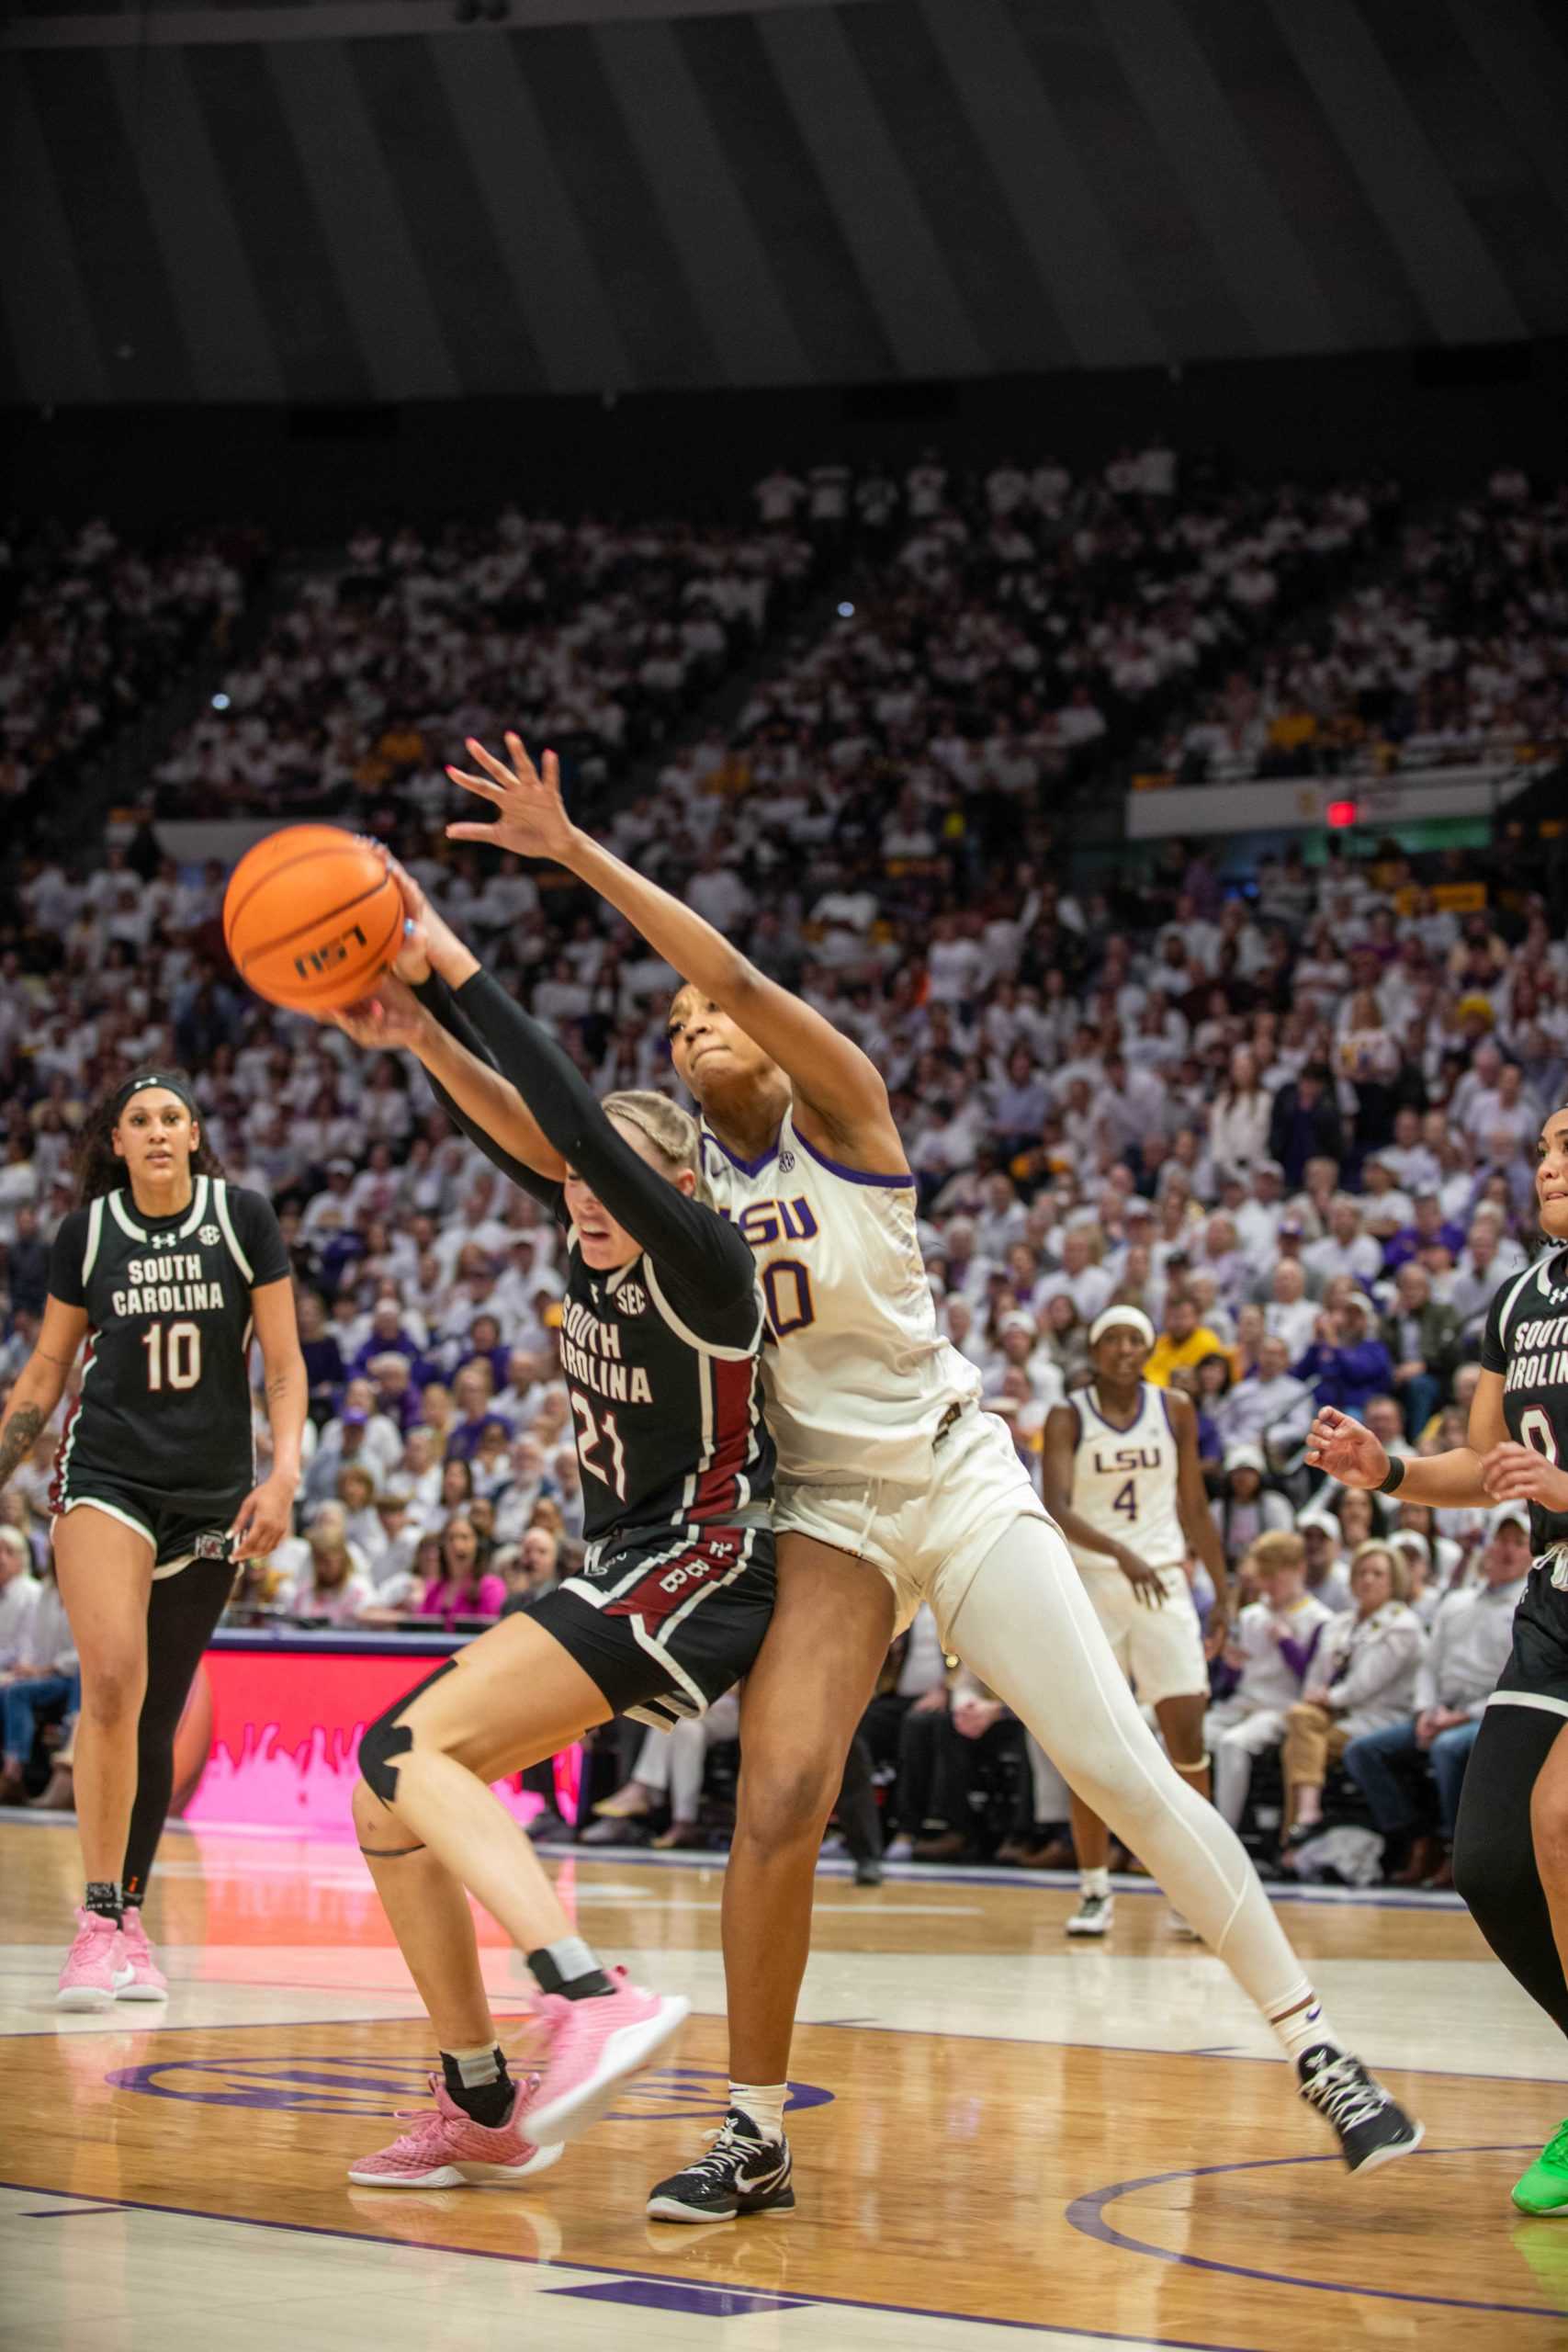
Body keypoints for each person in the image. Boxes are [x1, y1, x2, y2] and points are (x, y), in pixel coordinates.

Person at [445, 730, 1422, 2208]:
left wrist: (576, 854)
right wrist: (413, 1036)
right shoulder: (684, 1191)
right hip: (824, 1516)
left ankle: (1316, 2045)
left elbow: (752, 982)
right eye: (676, 1022)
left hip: (954, 1480)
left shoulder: (845, 1115)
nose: (693, 1023)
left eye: (712, 1011)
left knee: (1117, 1764)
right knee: (774, 1797)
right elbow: (548, 1139)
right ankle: (756, 2129)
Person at [317, 872, 778, 2188]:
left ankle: (585, 1991)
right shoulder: (587, 1236)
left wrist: (446, 970)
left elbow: (564, 1114)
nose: (586, 1194)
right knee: (383, 1798)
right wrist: (416, 1042)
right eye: (580, 1183)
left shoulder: (702, 1257)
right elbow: (527, 1135)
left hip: (700, 1570)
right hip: (627, 1572)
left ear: (676, 1185)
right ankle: (479, 2103)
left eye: (614, 1179)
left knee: (404, 1741)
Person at [1307, 1098, 1568, 2211]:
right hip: (1556, 1601)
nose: (1553, 1158)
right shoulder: (1520, 1298)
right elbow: (1486, 1457)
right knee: (1493, 1861)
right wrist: (1391, 1472)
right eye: (1550, 1142)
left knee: (1558, 1822)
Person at [0, 1069, 303, 2007]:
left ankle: (130, 1910)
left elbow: (285, 1365)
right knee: (114, 1680)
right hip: (107, 1477)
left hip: (212, 1491)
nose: (160, 1129)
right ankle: (93, 1924)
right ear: (117, 1143)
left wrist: (283, 1472)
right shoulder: (87, 1232)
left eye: (175, 1116)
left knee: (159, 1706)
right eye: (140, 1119)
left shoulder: (243, 1218)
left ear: (195, 1134)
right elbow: (50, 1366)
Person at [1041, 1306, 1231, 1939]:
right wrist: (1122, 1554)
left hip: (1163, 1589)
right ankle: (1095, 1888)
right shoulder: (1067, 1413)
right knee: (1088, 1748)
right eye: (1112, 1340)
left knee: (1187, 1742)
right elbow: (1057, 1507)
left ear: (1147, 1349)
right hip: (1092, 1587)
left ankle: (1195, 1888)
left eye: (1134, 1340)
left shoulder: (1174, 1407)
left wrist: (1222, 1591)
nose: (1123, 1349)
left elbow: (1195, 1506)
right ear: (1094, 1351)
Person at [1344, 1503, 1530, 1886]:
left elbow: (1519, 1677)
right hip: (1442, 1711)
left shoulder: (1528, 1609)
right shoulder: (1456, 1602)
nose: (1508, 1550)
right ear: (1489, 1546)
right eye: (1502, 1540)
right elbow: (1429, 1665)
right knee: (1364, 1751)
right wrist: (1427, 1709)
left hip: (1494, 1715)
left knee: (1448, 1748)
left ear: (1531, 1552)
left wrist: (1463, 1716)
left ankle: (1453, 1849)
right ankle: (1415, 1838)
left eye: (1519, 1542)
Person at [1280, 1543, 1425, 1852]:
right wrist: (1315, 1694)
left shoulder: (1403, 1624)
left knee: (1301, 1744)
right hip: (1334, 1711)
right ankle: (1305, 1818)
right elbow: (1316, 1675)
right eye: (1361, 1572)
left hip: (1380, 1716)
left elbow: (1365, 1685)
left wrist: (1326, 1697)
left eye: (1377, 1574)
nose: (1367, 1580)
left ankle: (1293, 1836)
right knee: (1300, 1719)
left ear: (1394, 1580)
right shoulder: (1339, 1623)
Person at [1205, 1531, 1336, 1832]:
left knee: (1232, 1745)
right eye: (1264, 1576)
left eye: (1277, 1576)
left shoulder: (1319, 1619)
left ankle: (1225, 1834)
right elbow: (1232, 1682)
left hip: (1280, 1705)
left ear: (1299, 1569)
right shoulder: (1252, 1615)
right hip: (1243, 1702)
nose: (1268, 1585)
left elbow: (1314, 1682)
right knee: (1178, 1740)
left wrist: (1288, 1645)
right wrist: (1231, 1666)